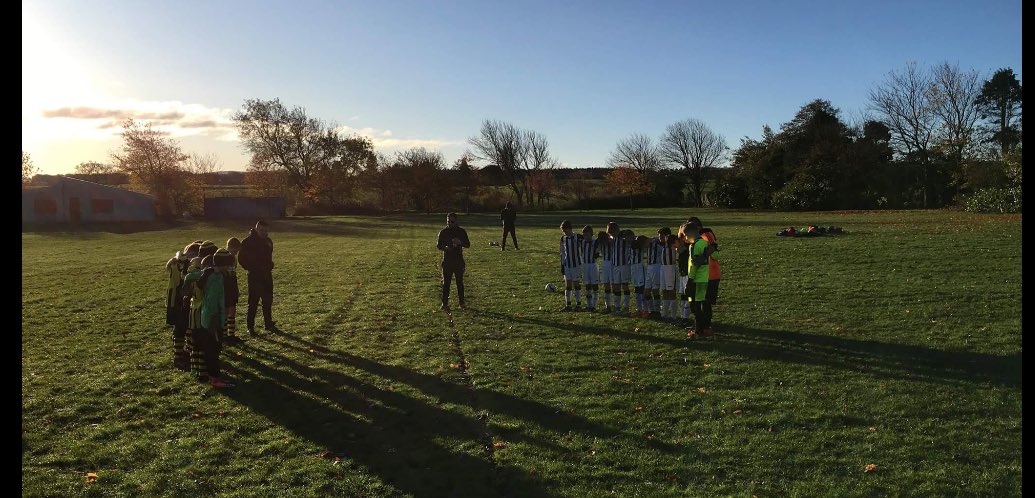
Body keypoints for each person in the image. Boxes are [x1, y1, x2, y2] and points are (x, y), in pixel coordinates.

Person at [183, 252, 235, 388]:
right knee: (213, 349)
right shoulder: (215, 277)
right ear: (222, 264)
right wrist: (217, 318)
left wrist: (186, 286)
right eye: (228, 264)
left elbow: (189, 276)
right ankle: (214, 378)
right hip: (213, 318)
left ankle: (214, 376)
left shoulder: (208, 272)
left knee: (213, 348)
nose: (229, 267)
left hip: (208, 316)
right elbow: (214, 300)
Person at [239, 220, 276, 335]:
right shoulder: (247, 242)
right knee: (253, 302)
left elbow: (269, 257)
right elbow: (241, 259)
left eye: (266, 230)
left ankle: (268, 323)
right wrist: (251, 268)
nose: (264, 232)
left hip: (266, 275)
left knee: (268, 300)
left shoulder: (268, 241)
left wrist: (270, 265)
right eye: (261, 230)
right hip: (254, 276)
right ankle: (250, 327)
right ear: (256, 229)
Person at [437, 212, 471, 311]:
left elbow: (468, 244)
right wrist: (446, 248)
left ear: (456, 221)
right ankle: (444, 303)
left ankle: (462, 303)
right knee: (446, 283)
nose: (450, 223)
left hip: (458, 260)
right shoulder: (443, 232)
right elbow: (439, 245)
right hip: (447, 260)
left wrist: (460, 242)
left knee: (459, 282)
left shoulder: (461, 232)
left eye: (452, 221)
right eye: (448, 221)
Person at [558, 220, 583, 311]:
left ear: (570, 229)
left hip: (576, 264)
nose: (565, 233)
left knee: (576, 284)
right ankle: (568, 305)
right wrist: (562, 265)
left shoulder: (578, 237)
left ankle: (578, 305)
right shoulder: (563, 239)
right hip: (567, 265)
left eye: (566, 231)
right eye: (563, 231)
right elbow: (562, 253)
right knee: (568, 285)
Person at [223, 237, 242, 344]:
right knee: (226, 311)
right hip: (225, 287)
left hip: (232, 286)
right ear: (229, 247)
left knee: (232, 310)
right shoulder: (223, 257)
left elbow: (234, 274)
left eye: (237, 251)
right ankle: (224, 335)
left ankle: (231, 334)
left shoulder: (234, 259)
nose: (235, 253)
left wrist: (236, 289)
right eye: (234, 251)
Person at [580, 225, 600, 311]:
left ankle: (594, 306)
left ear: (591, 234)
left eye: (587, 235)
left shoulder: (595, 242)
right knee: (587, 285)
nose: (586, 237)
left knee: (595, 286)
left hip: (593, 265)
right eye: (584, 235)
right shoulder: (582, 242)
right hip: (585, 265)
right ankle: (589, 305)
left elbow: (597, 253)